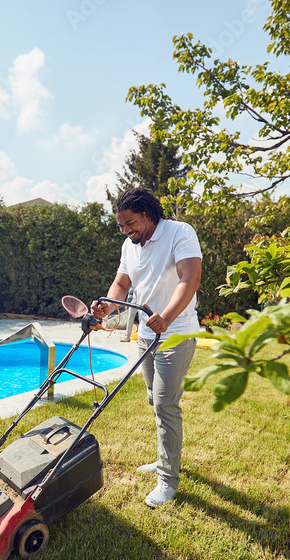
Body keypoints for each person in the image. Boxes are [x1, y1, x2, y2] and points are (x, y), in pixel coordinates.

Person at [92, 187, 202, 507]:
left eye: (130, 223)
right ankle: (164, 459)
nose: (126, 231)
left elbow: (190, 278)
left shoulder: (179, 232)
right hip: (145, 335)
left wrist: (166, 317)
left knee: (166, 405)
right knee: (155, 400)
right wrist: (107, 306)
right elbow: (123, 284)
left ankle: (168, 479)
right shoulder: (130, 245)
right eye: (120, 226)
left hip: (175, 332)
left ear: (147, 214)